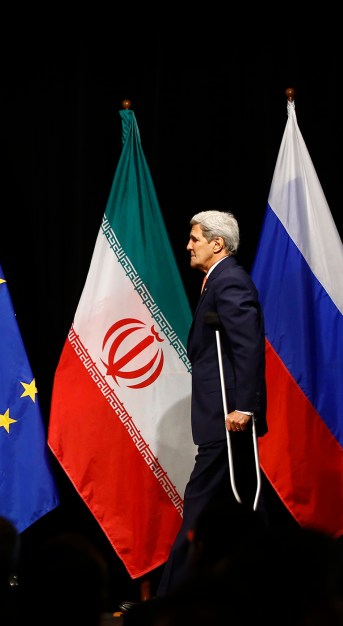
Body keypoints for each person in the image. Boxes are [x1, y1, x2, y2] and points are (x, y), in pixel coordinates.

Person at [155, 210, 267, 597]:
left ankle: (172, 597)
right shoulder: (215, 281)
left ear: (217, 244)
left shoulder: (231, 281)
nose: (188, 245)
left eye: (195, 239)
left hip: (229, 416)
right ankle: (260, 589)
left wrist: (245, 406)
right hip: (218, 414)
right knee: (237, 510)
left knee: (202, 505)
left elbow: (248, 345)